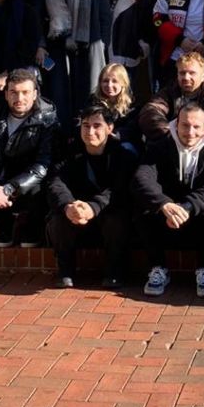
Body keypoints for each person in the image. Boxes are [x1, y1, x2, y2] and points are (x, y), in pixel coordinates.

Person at [133, 101, 204, 299]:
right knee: (141, 203)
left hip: (199, 218)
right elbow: (141, 177)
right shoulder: (159, 146)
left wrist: (188, 206)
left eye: (196, 126)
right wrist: (163, 204)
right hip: (166, 218)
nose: (190, 132)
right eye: (185, 125)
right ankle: (158, 267)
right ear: (176, 124)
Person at [0, 67, 59, 248]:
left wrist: (10, 188)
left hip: (27, 185)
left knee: (44, 187)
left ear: (35, 94)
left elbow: (43, 164)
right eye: (14, 92)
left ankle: (31, 226)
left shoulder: (48, 119)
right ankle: (5, 223)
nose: (19, 98)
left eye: (25, 92)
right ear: (6, 94)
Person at [46, 104, 137, 289]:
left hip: (108, 214)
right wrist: (68, 206)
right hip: (77, 215)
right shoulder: (69, 151)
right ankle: (65, 271)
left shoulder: (123, 155)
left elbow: (118, 190)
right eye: (86, 125)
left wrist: (93, 207)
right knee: (58, 219)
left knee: (117, 219)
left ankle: (114, 271)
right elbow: (55, 182)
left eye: (97, 126)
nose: (90, 131)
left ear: (110, 128)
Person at [40, 0, 112, 128]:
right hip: (57, 48)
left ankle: (84, 135)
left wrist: (102, 45)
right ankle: (61, 137)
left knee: (87, 95)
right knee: (58, 96)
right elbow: (38, 17)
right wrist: (40, 45)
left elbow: (105, 18)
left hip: (88, 48)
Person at [99, 0, 152, 105]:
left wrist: (142, 47)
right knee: (103, 101)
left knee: (126, 102)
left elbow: (147, 24)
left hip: (127, 57)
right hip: (101, 56)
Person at [139, 50, 204, 142]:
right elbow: (151, 111)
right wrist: (173, 134)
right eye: (182, 73)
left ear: (203, 76)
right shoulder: (169, 91)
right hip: (171, 142)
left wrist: (194, 131)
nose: (186, 77)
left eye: (192, 73)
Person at [88, 63, 142, 155]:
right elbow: (83, 118)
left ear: (123, 83)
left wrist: (114, 134)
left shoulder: (133, 103)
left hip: (121, 141)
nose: (109, 85)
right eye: (105, 81)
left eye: (115, 81)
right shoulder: (93, 100)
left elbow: (133, 129)